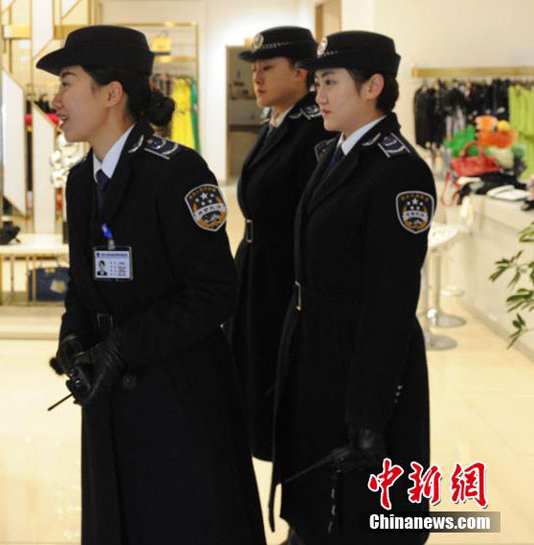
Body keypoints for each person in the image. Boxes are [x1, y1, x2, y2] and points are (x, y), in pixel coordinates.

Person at [38, 25, 266, 544]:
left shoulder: (178, 172)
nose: (56, 101)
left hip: (177, 392)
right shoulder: (80, 180)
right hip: (108, 391)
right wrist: (73, 337)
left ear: (111, 93)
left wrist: (124, 345)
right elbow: (84, 276)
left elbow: (214, 291)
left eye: (68, 83)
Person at [270, 31, 433, 545]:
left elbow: (391, 299)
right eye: (317, 81)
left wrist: (368, 411)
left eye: (330, 81)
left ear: (373, 86)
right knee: (317, 500)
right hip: (317, 351)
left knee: (358, 512)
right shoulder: (336, 152)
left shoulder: (398, 170)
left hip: (360, 363)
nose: (318, 94)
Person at [229, 26, 333, 461]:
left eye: (268, 67)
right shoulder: (277, 121)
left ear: (301, 72)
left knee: (277, 375)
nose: (257, 77)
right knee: (249, 366)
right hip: (256, 264)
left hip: (283, 273)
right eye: (254, 68)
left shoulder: (313, 129)